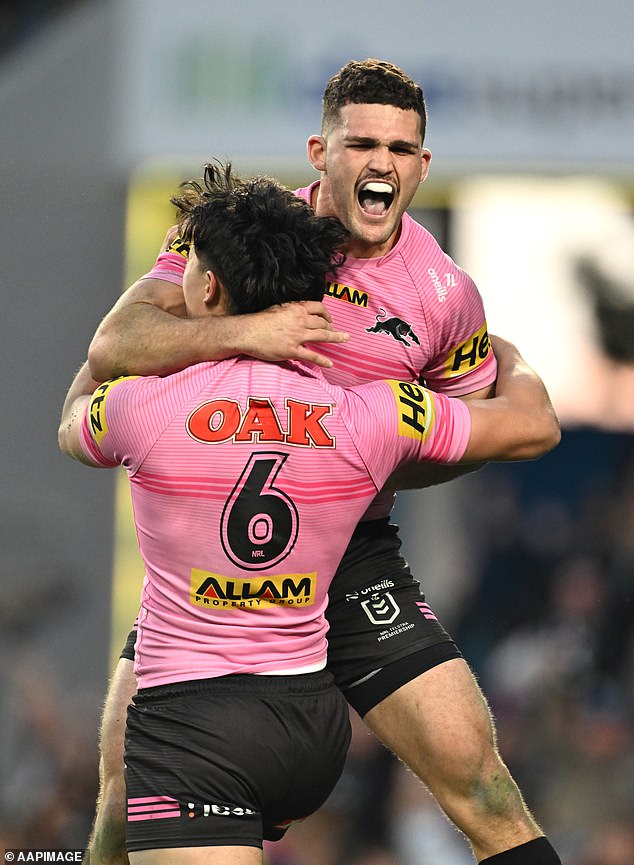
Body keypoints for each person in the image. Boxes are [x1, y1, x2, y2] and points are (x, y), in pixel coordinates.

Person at [82, 60, 563, 865]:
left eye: (402, 149)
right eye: (362, 143)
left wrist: (367, 467)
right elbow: (116, 345)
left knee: (482, 787)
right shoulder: (241, 232)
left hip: (352, 556)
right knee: (119, 800)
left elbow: (482, 427)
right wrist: (241, 333)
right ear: (319, 152)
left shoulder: (443, 294)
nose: (382, 164)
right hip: (217, 559)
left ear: (423, 165)